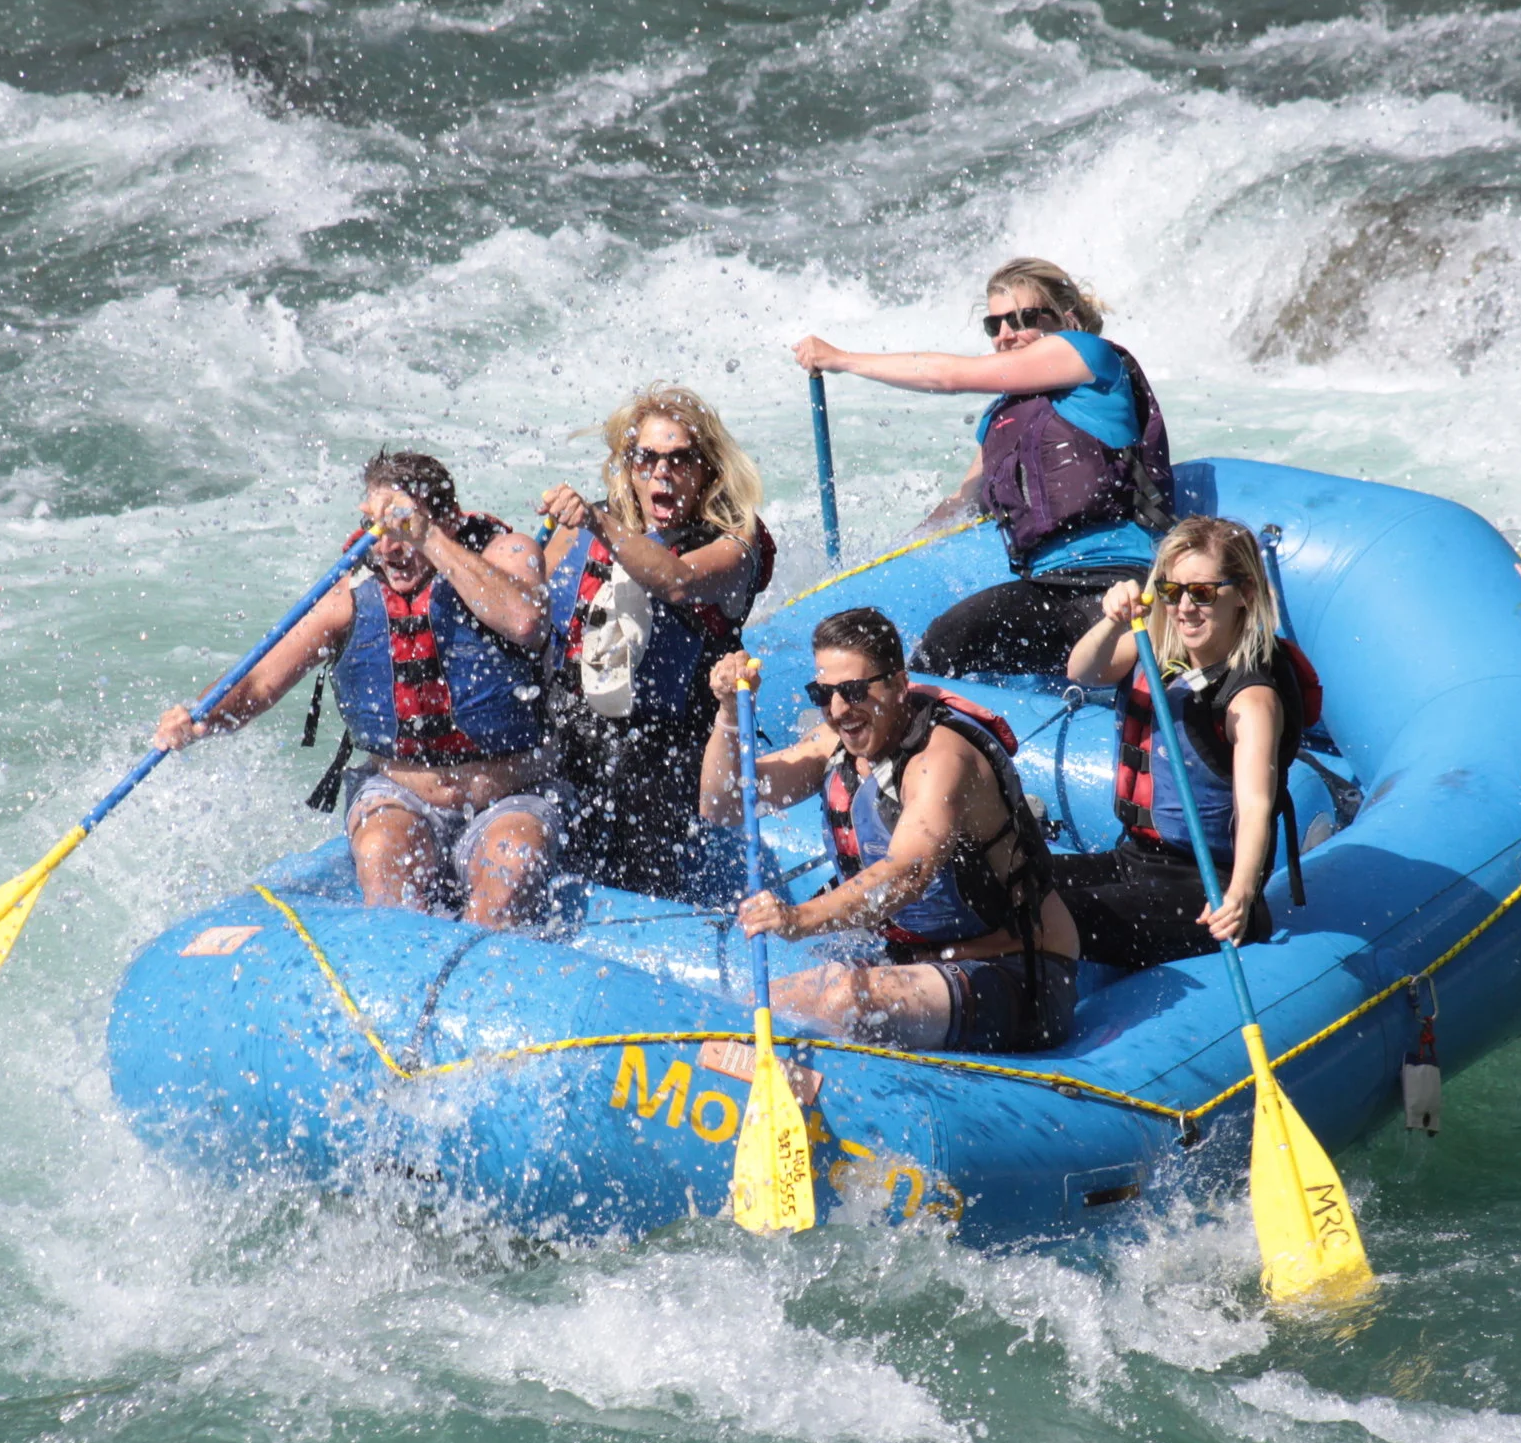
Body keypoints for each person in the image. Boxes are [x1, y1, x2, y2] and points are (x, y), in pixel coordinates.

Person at [152, 451, 560, 928]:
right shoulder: (350, 592)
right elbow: (260, 681)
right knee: (387, 871)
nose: (389, 549)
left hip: (512, 796)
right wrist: (199, 716)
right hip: (400, 795)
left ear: (449, 519)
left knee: (505, 888)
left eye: (401, 526)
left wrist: (426, 536)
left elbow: (525, 619)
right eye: (378, 529)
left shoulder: (507, 554)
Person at [698, 607, 1081, 1053]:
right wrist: (728, 711)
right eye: (823, 693)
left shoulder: (940, 760)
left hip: (1021, 972)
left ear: (899, 686)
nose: (839, 710)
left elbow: (908, 873)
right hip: (917, 960)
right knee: (745, 1012)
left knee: (848, 1000)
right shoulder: (835, 743)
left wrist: (799, 918)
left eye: (855, 690)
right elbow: (723, 805)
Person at [790, 256, 1175, 679]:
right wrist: (879, 561)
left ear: (1066, 319)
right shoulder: (1001, 417)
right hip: (1047, 589)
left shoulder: (1088, 356)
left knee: (968, 639)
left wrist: (841, 358)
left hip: (1121, 581)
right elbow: (961, 503)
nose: (1006, 335)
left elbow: (951, 376)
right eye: (995, 325)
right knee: (943, 645)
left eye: (1023, 318)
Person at [537, 385, 775, 899]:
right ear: (629, 467)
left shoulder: (735, 542)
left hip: (669, 755)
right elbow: (522, 613)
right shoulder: (575, 530)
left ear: (707, 469)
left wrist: (599, 523)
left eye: (679, 459)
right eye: (646, 457)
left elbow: (677, 581)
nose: (661, 472)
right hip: (572, 734)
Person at [1053, 516, 1313, 968]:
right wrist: (1113, 621)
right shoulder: (1156, 650)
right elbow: (1083, 672)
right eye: (1172, 592)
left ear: (1245, 593)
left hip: (1205, 885)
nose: (1185, 608)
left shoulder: (1250, 700)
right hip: (1134, 859)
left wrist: (1240, 896)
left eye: (1203, 592)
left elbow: (1254, 808)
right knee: (1012, 886)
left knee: (1054, 916)